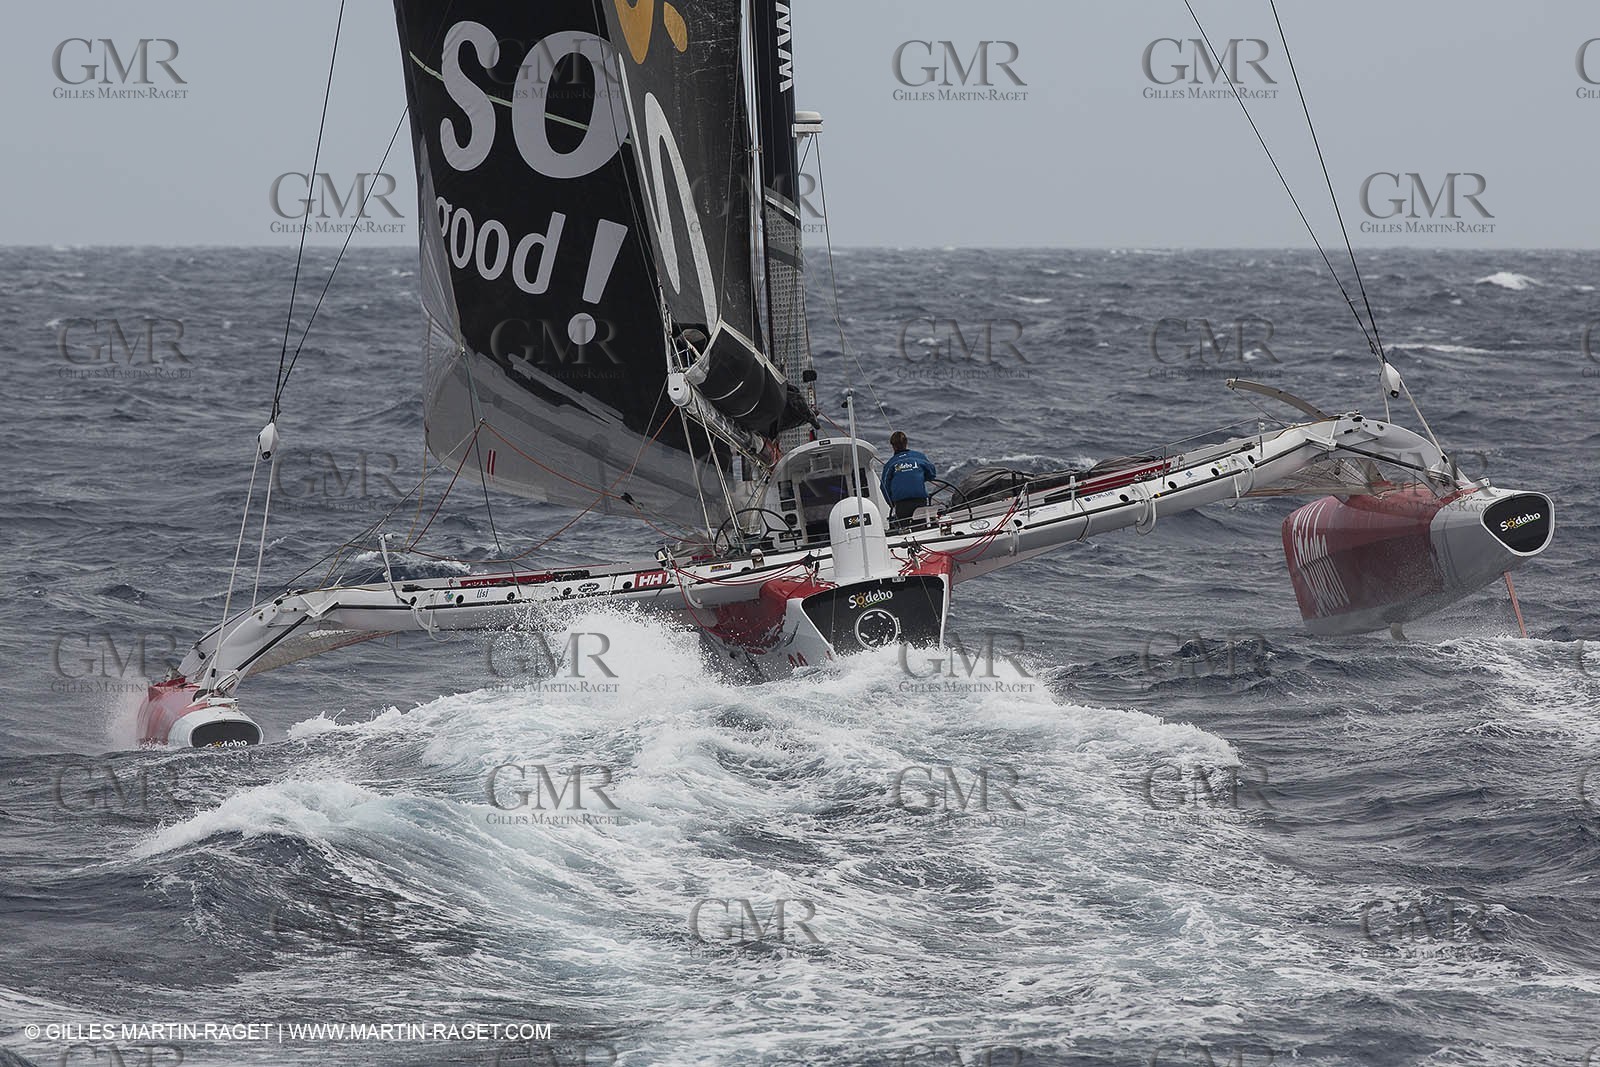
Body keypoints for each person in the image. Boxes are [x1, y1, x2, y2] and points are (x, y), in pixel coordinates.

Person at [879, 431, 937, 527]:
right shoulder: (920, 457)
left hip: (902, 505)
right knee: (921, 527)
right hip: (920, 501)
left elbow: (884, 486)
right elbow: (932, 474)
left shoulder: (890, 464)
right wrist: (919, 477)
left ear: (893, 446)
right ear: (906, 443)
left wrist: (891, 504)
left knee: (902, 530)